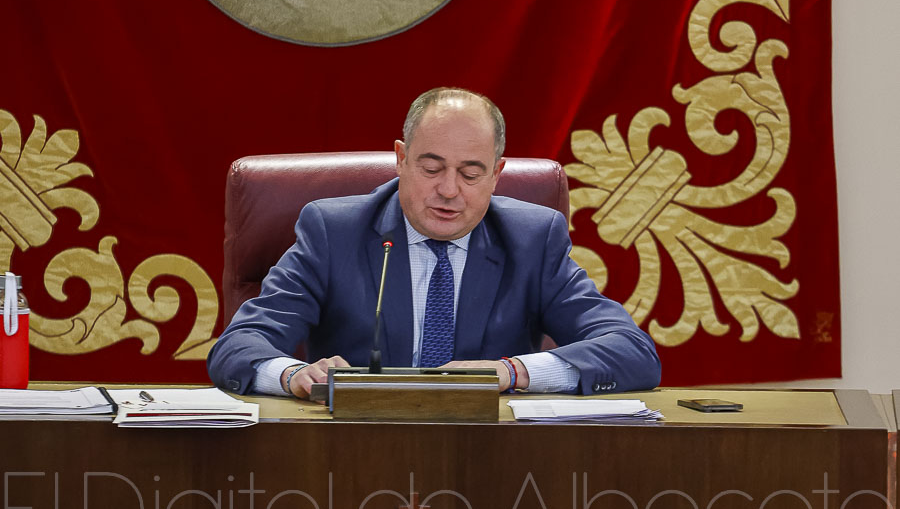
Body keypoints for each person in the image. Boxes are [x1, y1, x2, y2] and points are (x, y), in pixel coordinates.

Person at [207, 87, 661, 399]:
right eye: (431, 168)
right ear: (401, 159)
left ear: (496, 175)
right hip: (351, 450)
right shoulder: (333, 231)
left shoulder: (532, 240)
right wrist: (293, 375)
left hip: (490, 459)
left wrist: (512, 372)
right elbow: (238, 345)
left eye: (470, 174)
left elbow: (631, 351)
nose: (448, 190)